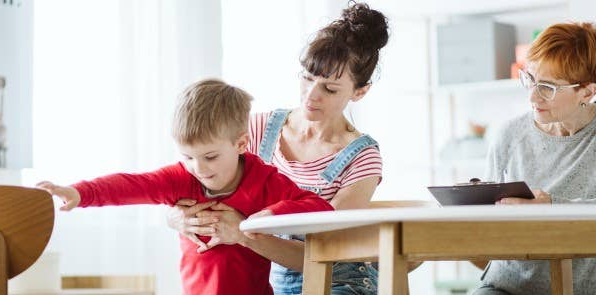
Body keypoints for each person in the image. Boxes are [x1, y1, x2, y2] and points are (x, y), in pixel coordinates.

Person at [167, 2, 389, 294]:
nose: (311, 95)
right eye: (307, 78)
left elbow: (328, 254)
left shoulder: (362, 158)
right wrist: (177, 218)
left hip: (339, 281)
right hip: (276, 281)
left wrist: (243, 234)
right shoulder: (255, 131)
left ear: (360, 91)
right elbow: (192, 183)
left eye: (329, 88)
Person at [37, 79, 334, 295]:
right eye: (188, 156)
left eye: (210, 157)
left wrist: (267, 216)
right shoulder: (182, 178)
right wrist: (80, 193)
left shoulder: (264, 180)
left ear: (241, 143)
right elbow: (131, 185)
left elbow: (319, 208)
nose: (199, 169)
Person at [474, 22, 596, 295]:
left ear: (587, 91)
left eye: (548, 87)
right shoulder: (508, 134)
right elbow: (486, 225)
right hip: (506, 288)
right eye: (530, 79)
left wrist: (552, 206)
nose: (532, 96)